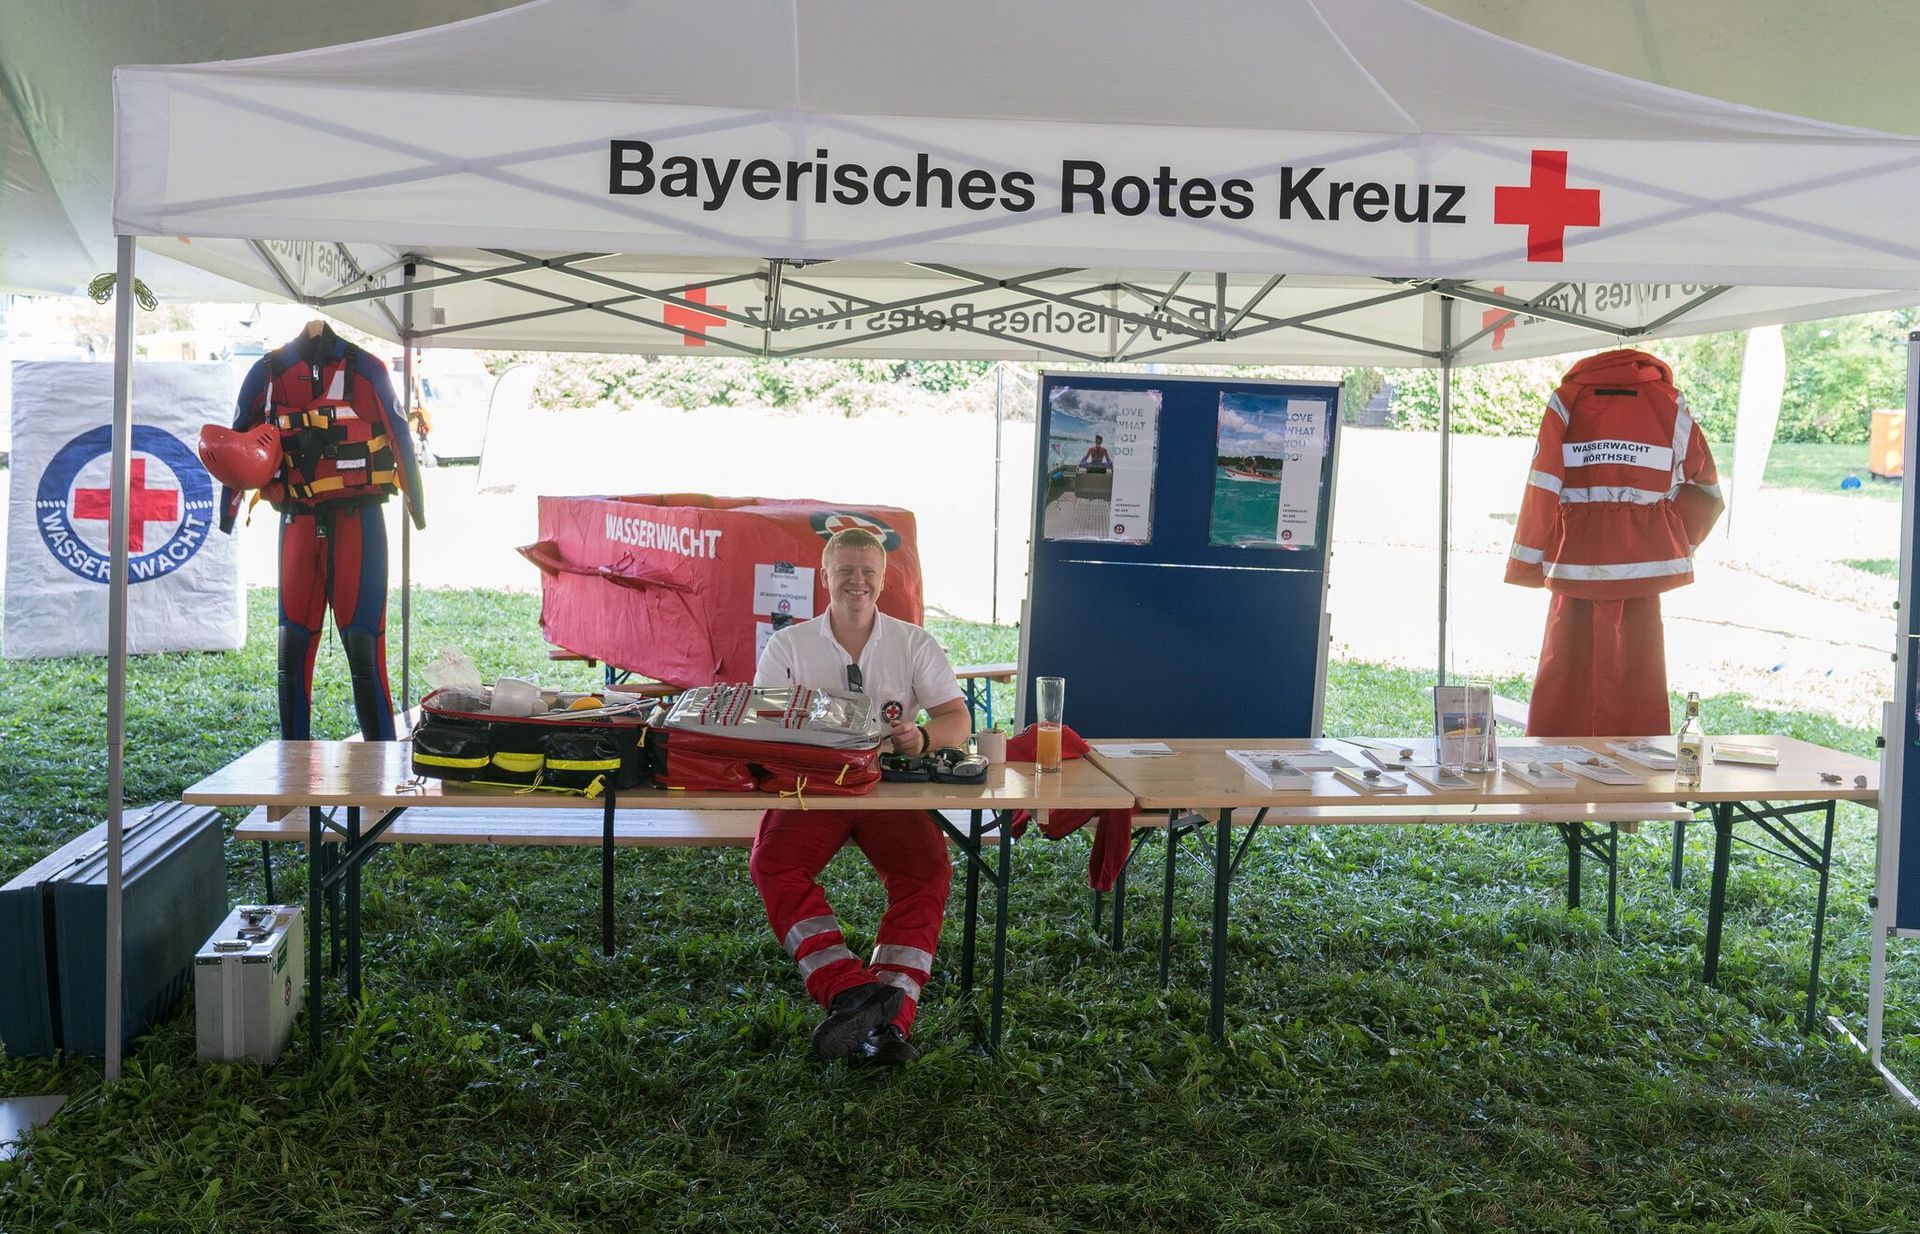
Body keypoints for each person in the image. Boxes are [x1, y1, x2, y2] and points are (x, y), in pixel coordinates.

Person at [750, 527, 970, 1065]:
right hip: (814, 789)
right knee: (773, 862)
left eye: (868, 571)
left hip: (888, 788)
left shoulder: (912, 642)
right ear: (825, 577)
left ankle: (888, 1021)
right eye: (845, 570)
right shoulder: (788, 644)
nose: (857, 581)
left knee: (927, 870)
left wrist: (923, 738)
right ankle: (849, 990)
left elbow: (956, 719)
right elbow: (762, 722)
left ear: (883, 578)